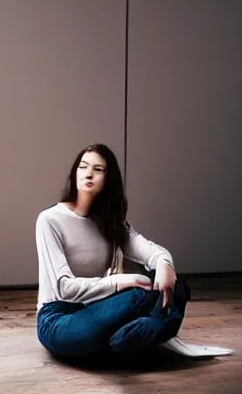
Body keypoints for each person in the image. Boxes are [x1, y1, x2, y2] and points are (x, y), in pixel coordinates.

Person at [35, 143, 190, 358]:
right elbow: (64, 288)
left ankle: (124, 340)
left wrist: (165, 263)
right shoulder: (50, 220)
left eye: (98, 170)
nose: (88, 174)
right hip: (59, 320)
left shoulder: (111, 224)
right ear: (75, 172)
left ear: (109, 179)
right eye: (83, 167)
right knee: (140, 294)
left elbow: (152, 251)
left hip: (101, 310)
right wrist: (121, 282)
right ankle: (154, 328)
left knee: (174, 285)